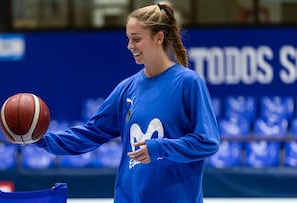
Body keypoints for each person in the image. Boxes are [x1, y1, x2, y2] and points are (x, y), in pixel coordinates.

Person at [34, 2, 219, 203]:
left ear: (159, 37)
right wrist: (41, 139)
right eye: (129, 39)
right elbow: (91, 132)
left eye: (137, 39)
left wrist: (159, 148)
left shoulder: (188, 82)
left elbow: (207, 142)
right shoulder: (127, 88)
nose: (130, 46)